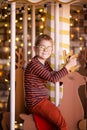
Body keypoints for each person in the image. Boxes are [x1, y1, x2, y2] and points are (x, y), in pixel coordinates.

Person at [24, 34, 77, 130]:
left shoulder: (45, 64)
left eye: (49, 48)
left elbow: (53, 75)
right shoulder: (34, 65)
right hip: (36, 101)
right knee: (62, 123)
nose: (45, 50)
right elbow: (53, 78)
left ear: (52, 50)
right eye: (42, 47)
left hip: (42, 100)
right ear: (34, 48)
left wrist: (64, 77)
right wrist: (68, 66)